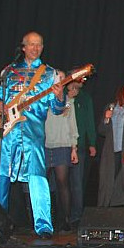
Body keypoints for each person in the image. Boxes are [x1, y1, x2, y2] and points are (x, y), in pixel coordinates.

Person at [0, 32, 65, 239]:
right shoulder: (9, 71)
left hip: (33, 135)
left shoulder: (50, 74)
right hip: (6, 133)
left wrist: (59, 97)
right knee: (0, 178)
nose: (35, 48)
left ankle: (43, 226)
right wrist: (0, 105)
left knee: (38, 178)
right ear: (23, 47)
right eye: (31, 44)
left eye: (39, 45)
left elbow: (57, 110)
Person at [44, 70, 79, 232]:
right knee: (42, 185)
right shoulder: (42, 98)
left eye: (62, 77)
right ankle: (44, 220)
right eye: (56, 77)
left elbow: (73, 125)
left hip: (62, 145)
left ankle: (65, 220)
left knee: (63, 183)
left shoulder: (68, 100)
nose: (59, 79)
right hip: (43, 145)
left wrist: (74, 147)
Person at [66, 74, 97, 228]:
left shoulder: (85, 98)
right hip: (59, 144)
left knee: (77, 183)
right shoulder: (61, 96)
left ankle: (76, 217)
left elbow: (90, 121)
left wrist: (92, 143)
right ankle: (61, 216)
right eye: (78, 78)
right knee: (58, 183)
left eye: (83, 79)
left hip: (79, 146)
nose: (81, 81)